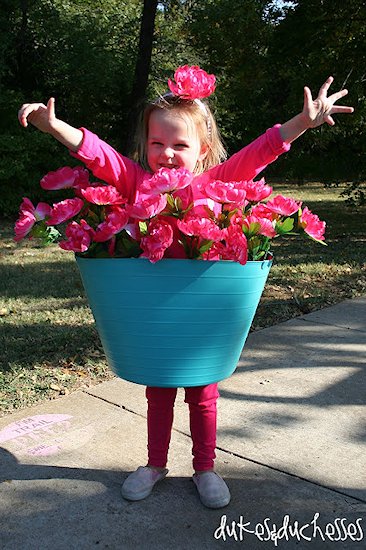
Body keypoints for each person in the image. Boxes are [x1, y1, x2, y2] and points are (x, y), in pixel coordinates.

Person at [18, 66, 354, 509]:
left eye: (180, 145)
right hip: (156, 308)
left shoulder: (216, 184)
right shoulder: (137, 182)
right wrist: (53, 125)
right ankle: (155, 463)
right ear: (144, 145)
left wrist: (302, 123)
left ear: (203, 148)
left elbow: (261, 152)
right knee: (158, 388)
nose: (167, 154)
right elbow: (97, 155)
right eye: (157, 143)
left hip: (201, 309)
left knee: (203, 392)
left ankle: (205, 468)